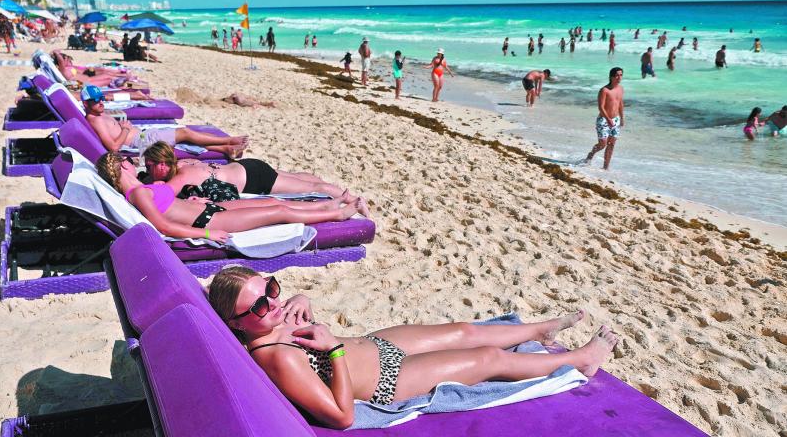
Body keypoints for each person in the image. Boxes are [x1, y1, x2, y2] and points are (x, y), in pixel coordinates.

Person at [208, 267, 618, 429]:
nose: (274, 303)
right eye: (261, 304)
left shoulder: (269, 326)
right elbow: (342, 417)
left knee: (461, 331)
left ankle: (541, 330)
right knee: (485, 360)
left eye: (272, 288)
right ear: (236, 324)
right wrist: (333, 350)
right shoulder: (278, 359)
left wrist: (301, 304)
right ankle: (579, 360)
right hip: (389, 380)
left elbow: (286, 317)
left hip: (374, 346)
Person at [95, 152, 365, 242]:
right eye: (128, 160)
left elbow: (167, 208)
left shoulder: (140, 191)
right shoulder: (139, 193)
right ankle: (337, 214)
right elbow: (162, 226)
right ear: (124, 166)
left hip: (206, 208)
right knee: (278, 212)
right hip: (207, 222)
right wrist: (208, 236)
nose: (134, 162)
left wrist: (189, 201)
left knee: (272, 202)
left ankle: (328, 203)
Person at [140, 142, 364, 210]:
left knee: (314, 190)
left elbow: (158, 197)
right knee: (300, 179)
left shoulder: (180, 175)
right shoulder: (183, 162)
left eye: (150, 166)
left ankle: (353, 200)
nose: (148, 171)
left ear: (162, 165)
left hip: (255, 179)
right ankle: (334, 187)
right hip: (246, 167)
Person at [80, 85, 248, 156]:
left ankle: (226, 149)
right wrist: (124, 129)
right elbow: (114, 147)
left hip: (144, 136)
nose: (101, 102)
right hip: (141, 142)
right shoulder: (95, 120)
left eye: (101, 98)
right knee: (185, 132)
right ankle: (229, 139)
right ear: (86, 103)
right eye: (96, 100)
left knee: (185, 139)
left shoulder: (98, 114)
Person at [585, 67, 624, 170]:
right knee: (603, 144)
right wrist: (608, 119)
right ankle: (591, 154)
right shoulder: (604, 90)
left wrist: (622, 118)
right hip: (604, 120)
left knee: (611, 144)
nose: (619, 77)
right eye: (617, 75)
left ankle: (605, 167)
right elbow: (601, 107)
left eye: (621, 75)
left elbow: (620, 104)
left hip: (616, 120)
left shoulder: (620, 89)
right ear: (611, 77)